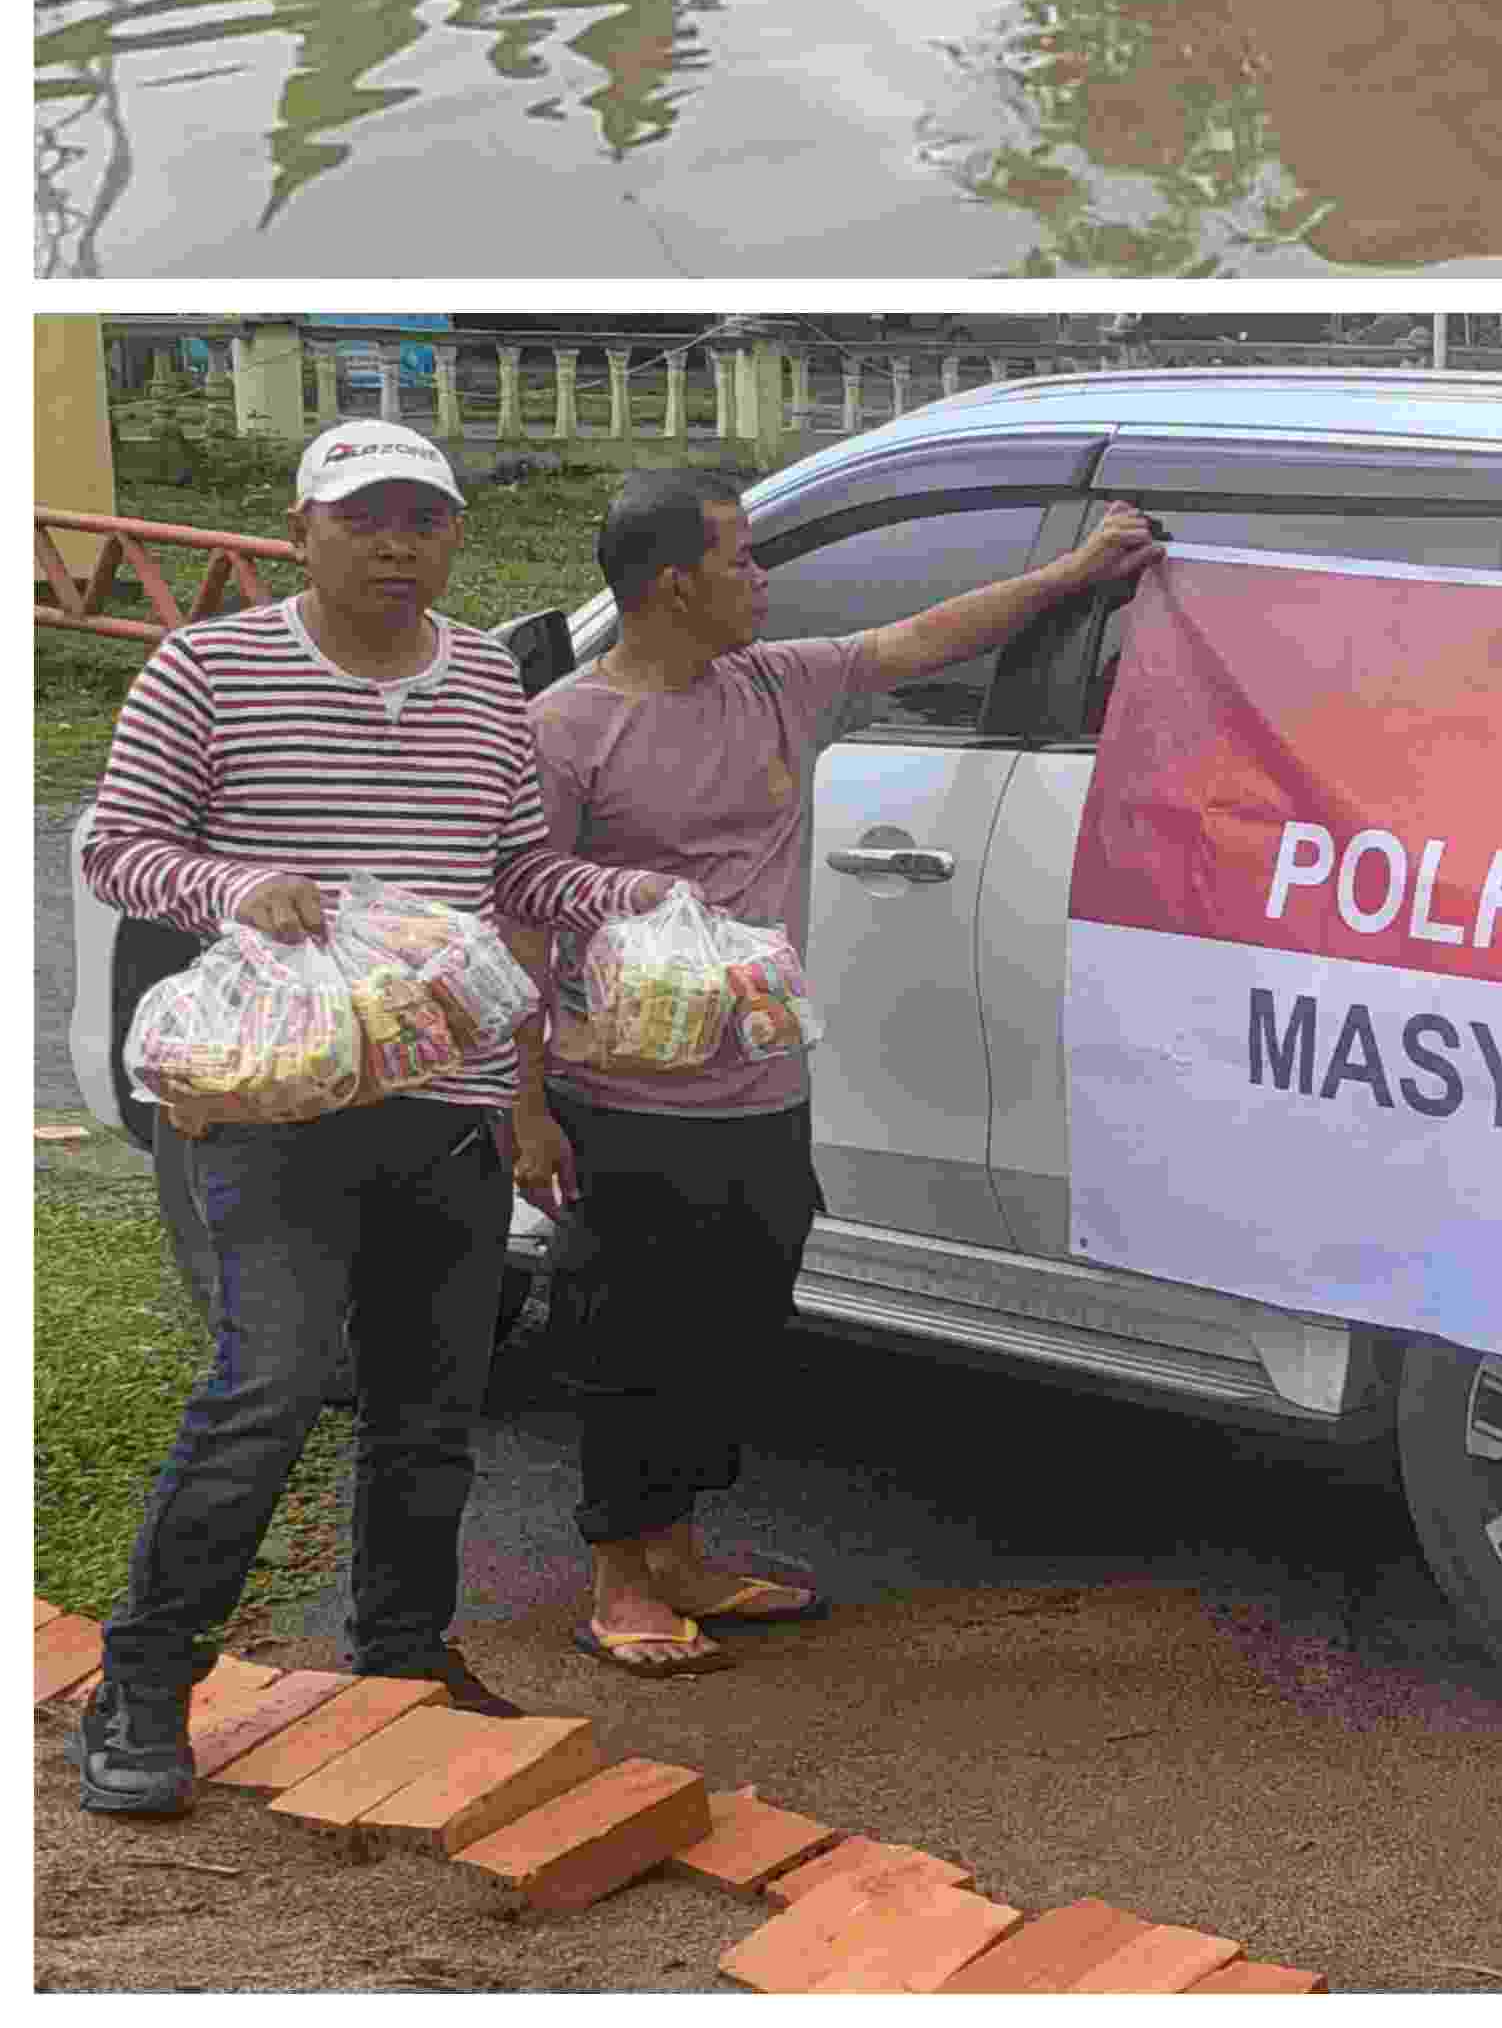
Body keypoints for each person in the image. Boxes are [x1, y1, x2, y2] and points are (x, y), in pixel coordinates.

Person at [73, 424, 680, 1812]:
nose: (398, 542)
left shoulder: (483, 680)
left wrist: (618, 897)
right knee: (266, 1390)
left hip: (445, 1107)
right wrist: (235, 888)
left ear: (451, 538)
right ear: (304, 529)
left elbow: (517, 869)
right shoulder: (207, 667)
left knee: (429, 1411)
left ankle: (401, 1659)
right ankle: (143, 1689)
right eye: (366, 517)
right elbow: (118, 844)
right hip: (268, 1100)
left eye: (424, 518)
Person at [523, 468, 1163, 1675]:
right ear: (673, 584)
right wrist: (524, 1096)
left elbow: (915, 637)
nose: (761, 580)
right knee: (629, 1330)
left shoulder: (771, 683)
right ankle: (617, 1573)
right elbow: (517, 899)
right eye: (743, 560)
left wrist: (1075, 575)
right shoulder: (566, 725)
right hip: (624, 1096)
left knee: (737, 1320)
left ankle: (682, 1546)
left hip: (760, 1087)